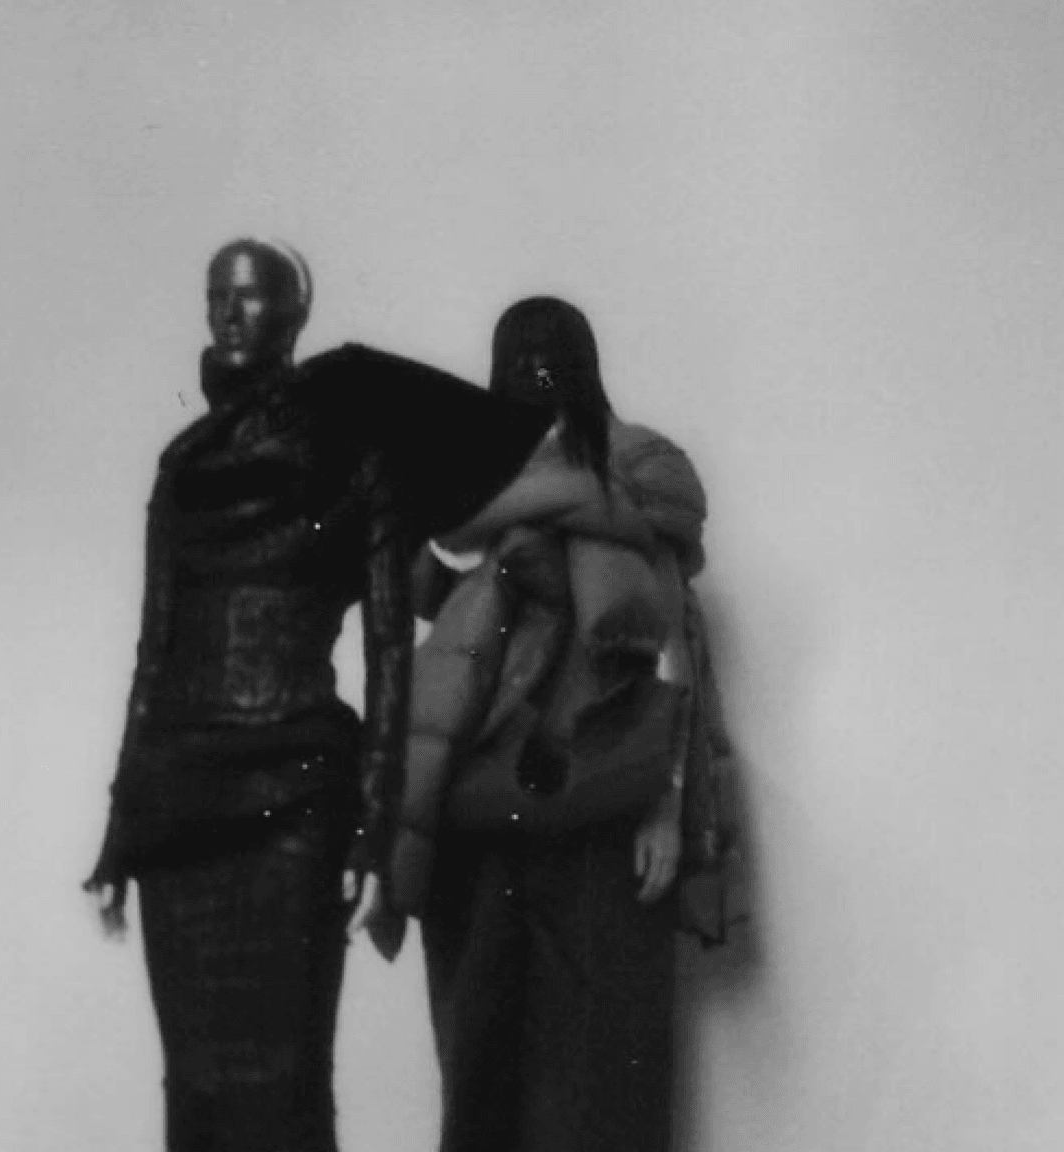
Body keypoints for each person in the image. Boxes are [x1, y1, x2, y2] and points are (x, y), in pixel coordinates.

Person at [84, 240, 549, 1151]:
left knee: (287, 1083)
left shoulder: (351, 454)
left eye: (251, 296)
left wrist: (376, 831)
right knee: (199, 1090)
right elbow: (155, 652)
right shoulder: (182, 465)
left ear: (295, 313)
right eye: (216, 294)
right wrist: (118, 831)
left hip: (293, 795)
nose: (228, 312)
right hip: (180, 807)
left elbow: (388, 653)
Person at [385, 296, 736, 1152]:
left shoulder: (636, 475)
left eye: (554, 355)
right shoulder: (474, 496)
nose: (537, 370)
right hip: (481, 815)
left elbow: (668, 649)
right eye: (519, 357)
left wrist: (665, 804)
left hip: (600, 813)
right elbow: (459, 628)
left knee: (601, 1078)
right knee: (481, 1067)